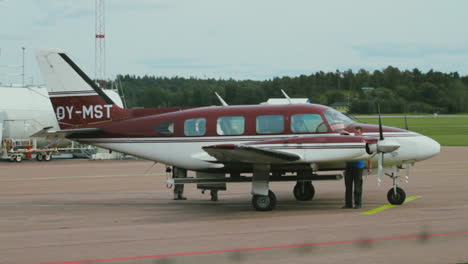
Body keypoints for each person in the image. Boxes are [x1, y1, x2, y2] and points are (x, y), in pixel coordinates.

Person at [341, 126, 372, 209]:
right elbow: (342, 135)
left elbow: (369, 155)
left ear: (361, 133)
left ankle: (358, 204)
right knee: (348, 187)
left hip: (358, 167)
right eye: (355, 133)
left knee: (357, 187)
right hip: (349, 166)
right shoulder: (352, 141)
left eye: (357, 133)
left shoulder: (364, 142)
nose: (356, 134)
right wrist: (343, 134)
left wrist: (370, 167)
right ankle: (348, 204)